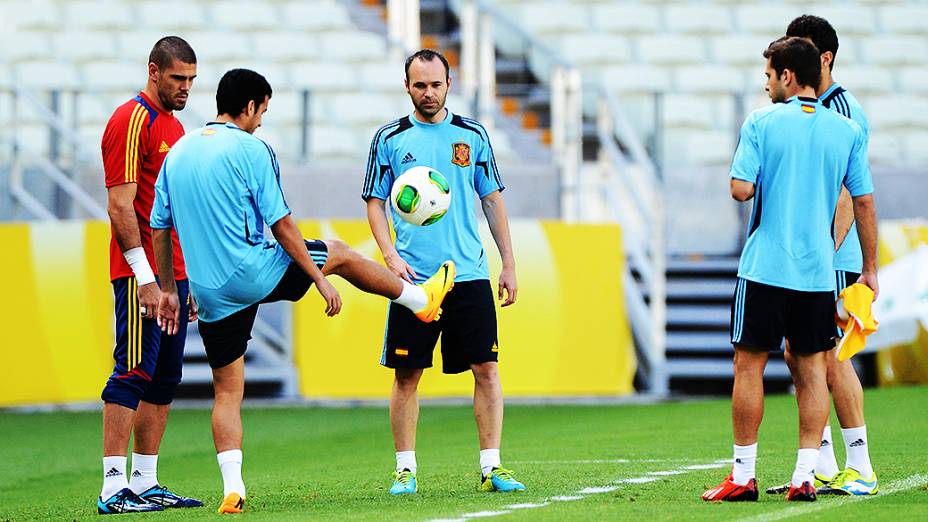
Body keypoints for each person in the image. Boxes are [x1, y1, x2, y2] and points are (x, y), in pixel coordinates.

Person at [150, 68, 454, 514]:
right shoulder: (252, 148)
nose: (261, 121)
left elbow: (159, 227)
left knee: (227, 391)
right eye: (263, 111)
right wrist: (318, 276)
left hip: (210, 291)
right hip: (253, 270)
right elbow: (282, 224)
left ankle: (233, 488)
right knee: (341, 252)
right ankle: (420, 301)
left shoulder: (178, 152)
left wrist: (170, 288)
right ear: (251, 106)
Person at [702, 37, 877, 503]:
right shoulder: (846, 131)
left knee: (748, 365)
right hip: (818, 273)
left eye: (768, 75)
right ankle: (806, 475)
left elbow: (740, 190)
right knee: (814, 370)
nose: (765, 84)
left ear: (787, 76)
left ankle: (743, 475)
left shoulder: (761, 122)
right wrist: (871, 269)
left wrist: (763, 175)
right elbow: (861, 201)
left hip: (765, 268)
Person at [362, 49, 524, 495]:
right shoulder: (389, 138)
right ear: (407, 86)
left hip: (468, 274)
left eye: (435, 84)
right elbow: (374, 203)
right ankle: (405, 470)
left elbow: (491, 199)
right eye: (419, 85)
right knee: (407, 374)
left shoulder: (471, 135)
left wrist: (508, 262)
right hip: (414, 279)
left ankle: (492, 466)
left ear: (449, 84)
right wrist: (390, 255)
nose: (428, 92)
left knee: (486, 367)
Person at [762, 15, 878, 497]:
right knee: (799, 353)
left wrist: (821, 252)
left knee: (828, 357)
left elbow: (851, 195)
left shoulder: (841, 110)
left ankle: (861, 465)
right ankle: (824, 463)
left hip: (830, 255)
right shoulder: (801, 110)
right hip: (809, 255)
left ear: (822, 58)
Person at [97, 36, 202, 515]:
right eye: (178, 78)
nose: (185, 88)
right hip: (144, 276)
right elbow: (120, 205)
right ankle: (112, 486)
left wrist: (187, 279)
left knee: (164, 378)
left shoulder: (174, 126)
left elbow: (175, 212)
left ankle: (145, 481)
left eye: (191, 80)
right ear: (154, 71)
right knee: (133, 370)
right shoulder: (131, 120)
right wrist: (145, 278)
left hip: (174, 275)